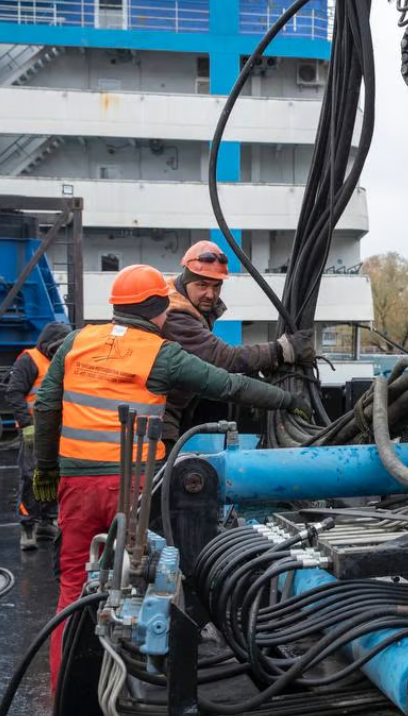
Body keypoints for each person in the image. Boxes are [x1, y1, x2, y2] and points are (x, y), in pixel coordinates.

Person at [31, 264, 308, 691]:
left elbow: (46, 407)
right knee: (150, 583)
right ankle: (140, 685)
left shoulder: (76, 341)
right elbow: (230, 385)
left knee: (74, 590)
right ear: (159, 309)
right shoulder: (161, 352)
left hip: (77, 487)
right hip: (139, 487)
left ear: (116, 307)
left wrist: (46, 470)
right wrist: (288, 400)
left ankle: (65, 693)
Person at [161, 240, 316, 446]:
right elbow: (222, 358)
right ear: (186, 280)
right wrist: (283, 350)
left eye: (216, 286)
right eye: (202, 285)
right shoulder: (176, 315)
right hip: (158, 420)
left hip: (167, 415)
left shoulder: (182, 302)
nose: (210, 294)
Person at [4, 321, 72, 551]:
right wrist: (27, 425)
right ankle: (28, 526)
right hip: (34, 431)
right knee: (31, 477)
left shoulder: (64, 360)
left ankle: (48, 520)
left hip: (58, 430)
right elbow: (14, 393)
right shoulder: (29, 360)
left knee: (55, 474)